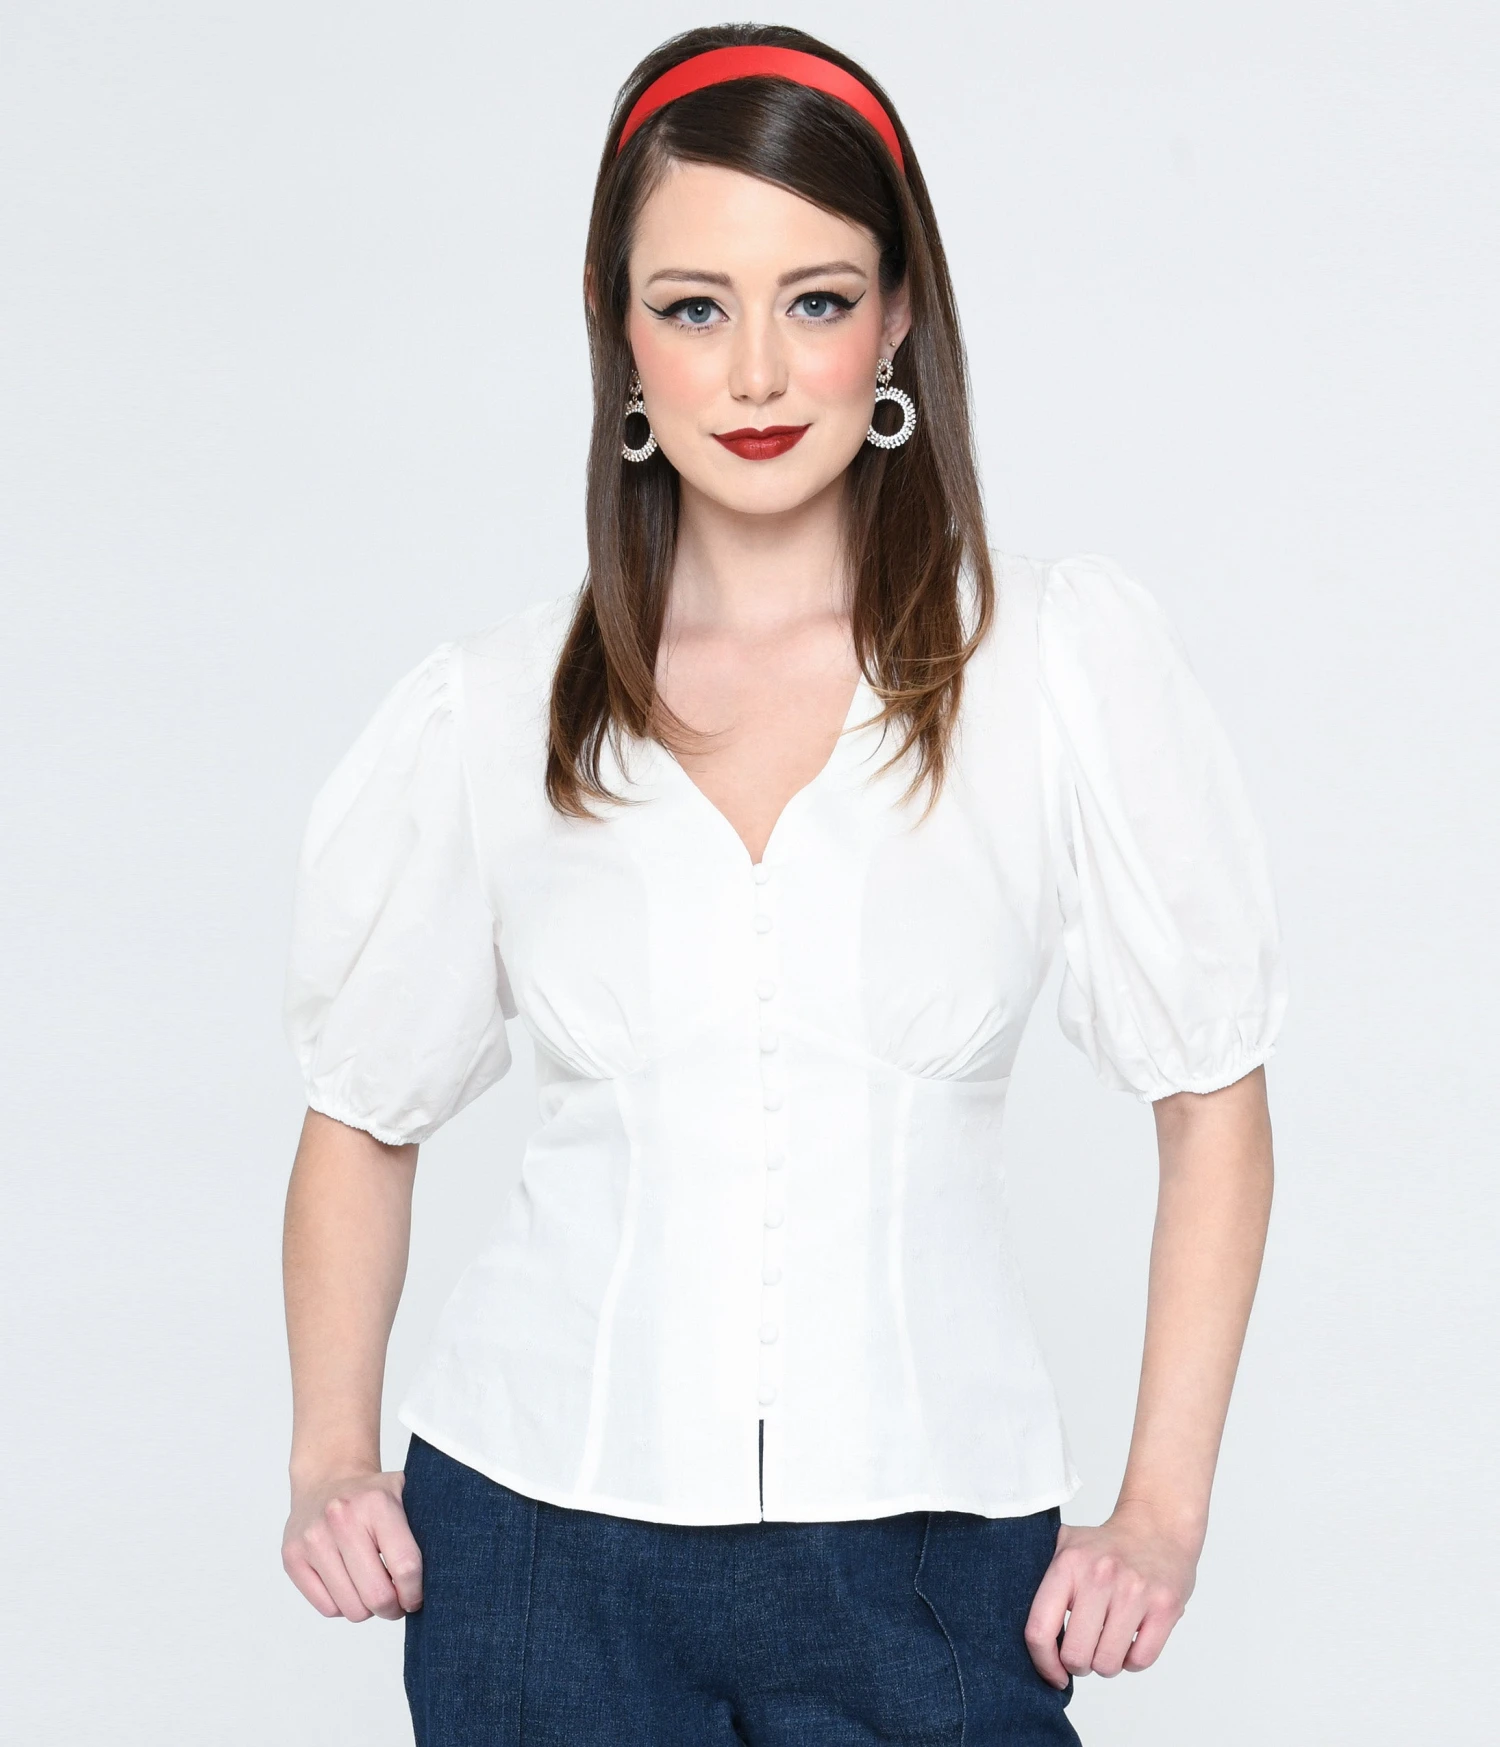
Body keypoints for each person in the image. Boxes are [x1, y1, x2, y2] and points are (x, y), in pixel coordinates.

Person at [278, 23, 1286, 1746]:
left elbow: (1214, 1102)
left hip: (932, 1560)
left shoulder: (1052, 666)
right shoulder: (492, 709)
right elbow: (359, 1114)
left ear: (896, 319)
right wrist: (328, 1454)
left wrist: (1161, 1510)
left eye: (815, 299)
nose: (755, 372)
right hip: (535, 1556)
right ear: (617, 328)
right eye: (693, 306)